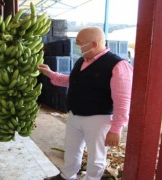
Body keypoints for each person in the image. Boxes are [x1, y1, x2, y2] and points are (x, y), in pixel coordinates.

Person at [39, 27, 133, 180]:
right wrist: (51, 74)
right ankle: (67, 176)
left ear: (94, 44)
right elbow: (73, 81)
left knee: (96, 157)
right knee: (71, 150)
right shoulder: (83, 60)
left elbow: (123, 101)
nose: (76, 45)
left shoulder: (117, 65)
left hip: (98, 119)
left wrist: (116, 129)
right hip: (75, 115)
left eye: (79, 42)